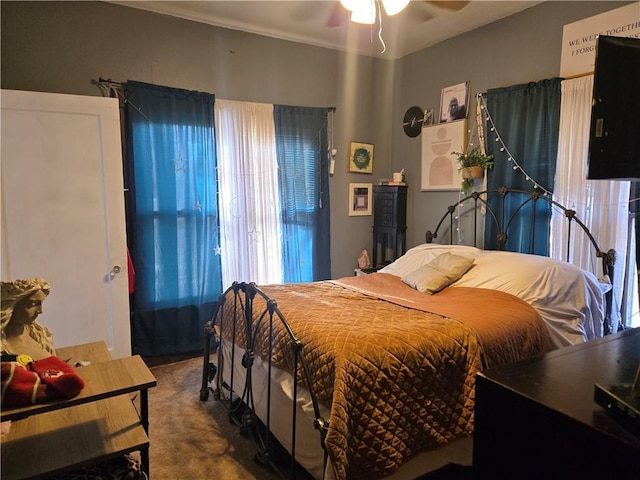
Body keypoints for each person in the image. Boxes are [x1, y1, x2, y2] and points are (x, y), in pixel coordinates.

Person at [1, 277, 55, 360]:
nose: (40, 311)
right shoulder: (2, 346)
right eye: (33, 304)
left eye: (41, 303)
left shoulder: (42, 335)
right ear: (12, 305)